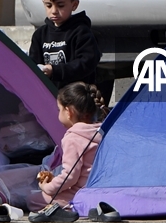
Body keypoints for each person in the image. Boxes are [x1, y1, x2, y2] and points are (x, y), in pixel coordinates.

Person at [27, 82, 107, 214]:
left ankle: (74, 209)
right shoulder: (101, 131)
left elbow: (70, 177)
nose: (59, 113)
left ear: (69, 112)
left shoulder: (73, 137)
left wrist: (47, 187)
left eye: (59, 109)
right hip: (100, 189)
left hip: (80, 192)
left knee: (33, 199)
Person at [28, 0, 101, 90]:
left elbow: (87, 63)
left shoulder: (81, 32)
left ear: (74, 5)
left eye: (60, 5)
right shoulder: (40, 35)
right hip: (49, 95)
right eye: (49, 5)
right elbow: (33, 65)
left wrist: (55, 71)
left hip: (76, 97)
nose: (54, 11)